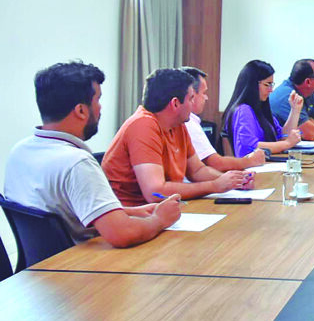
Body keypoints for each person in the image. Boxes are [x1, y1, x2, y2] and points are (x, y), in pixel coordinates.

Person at [3, 62, 180, 247]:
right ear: (80, 110)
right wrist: (160, 219)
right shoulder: (77, 163)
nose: (100, 108)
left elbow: (63, 213)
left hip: (38, 271)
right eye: (98, 100)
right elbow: (122, 234)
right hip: (80, 268)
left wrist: (127, 212)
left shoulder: (19, 151)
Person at [103, 68, 252, 206]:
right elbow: (155, 192)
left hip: (161, 211)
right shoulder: (143, 125)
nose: (194, 103)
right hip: (133, 215)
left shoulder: (178, 124)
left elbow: (197, 171)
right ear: (175, 103)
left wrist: (233, 181)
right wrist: (214, 186)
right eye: (191, 98)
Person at [180, 67, 265, 171]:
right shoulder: (188, 123)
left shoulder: (190, 121)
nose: (206, 98)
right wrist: (250, 161)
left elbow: (200, 171)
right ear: (191, 95)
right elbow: (215, 163)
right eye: (204, 93)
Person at [223, 60, 303, 157]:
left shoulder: (260, 108)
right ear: (253, 84)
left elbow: (282, 137)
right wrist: (287, 144)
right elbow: (249, 147)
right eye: (267, 84)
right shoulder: (243, 110)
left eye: (271, 85)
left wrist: (295, 110)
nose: (271, 90)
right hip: (252, 169)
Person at [269, 58, 314, 139]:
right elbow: (309, 134)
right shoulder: (288, 96)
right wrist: (312, 124)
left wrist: (312, 126)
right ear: (308, 82)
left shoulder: (310, 92)